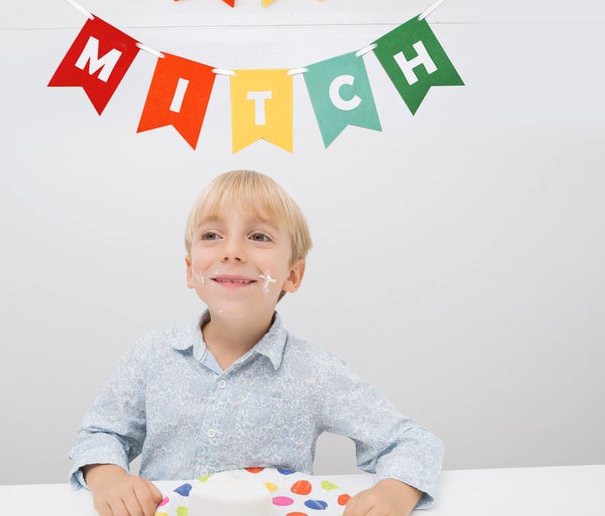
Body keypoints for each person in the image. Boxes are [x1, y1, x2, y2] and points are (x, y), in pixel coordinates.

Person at [69, 170, 443, 516]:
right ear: (189, 270)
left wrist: (394, 492)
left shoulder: (315, 371)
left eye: (259, 236)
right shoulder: (152, 355)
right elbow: (102, 433)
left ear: (292, 275)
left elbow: (411, 442)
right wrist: (109, 478)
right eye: (212, 236)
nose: (232, 251)